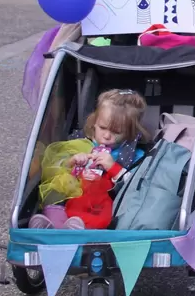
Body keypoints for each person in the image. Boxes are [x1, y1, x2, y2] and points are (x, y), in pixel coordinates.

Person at [29, 89, 148, 229]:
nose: (107, 135)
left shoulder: (131, 154)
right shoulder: (79, 142)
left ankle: (76, 231)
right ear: (94, 123)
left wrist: (113, 167)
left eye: (116, 132)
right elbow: (53, 167)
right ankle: (52, 226)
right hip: (70, 198)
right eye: (103, 128)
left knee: (101, 214)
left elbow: (134, 187)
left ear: (130, 132)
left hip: (99, 205)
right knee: (56, 190)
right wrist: (71, 161)